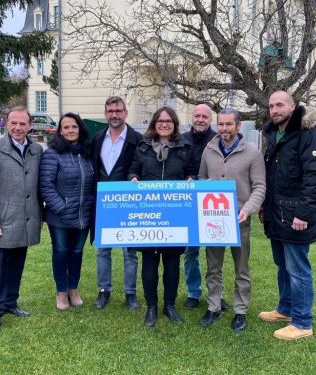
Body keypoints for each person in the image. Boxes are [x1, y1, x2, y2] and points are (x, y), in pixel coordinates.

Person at [258, 90, 316, 340]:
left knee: (298, 269)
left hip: (296, 215)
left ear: (292, 106)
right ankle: (285, 309)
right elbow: (273, 175)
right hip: (277, 212)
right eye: (271, 106)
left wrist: (304, 213)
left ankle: (302, 322)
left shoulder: (308, 133)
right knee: (282, 266)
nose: (274, 110)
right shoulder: (275, 133)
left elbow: (315, 176)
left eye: (279, 105)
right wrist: (265, 207)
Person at [128, 106, 197, 327]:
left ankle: (169, 306)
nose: (164, 124)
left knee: (172, 264)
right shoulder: (143, 147)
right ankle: (151, 307)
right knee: (148, 263)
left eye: (169, 121)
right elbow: (133, 170)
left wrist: (191, 179)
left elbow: (192, 172)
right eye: (160, 121)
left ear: (175, 124)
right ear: (154, 124)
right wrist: (133, 178)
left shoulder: (185, 148)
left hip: (175, 215)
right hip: (149, 215)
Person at [198, 108, 266, 332]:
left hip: (240, 220)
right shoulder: (209, 150)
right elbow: (201, 179)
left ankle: (240, 311)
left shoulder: (253, 153)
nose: (224, 129)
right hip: (213, 220)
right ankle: (213, 306)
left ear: (238, 126)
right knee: (213, 267)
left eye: (229, 124)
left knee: (242, 269)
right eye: (221, 124)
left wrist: (248, 209)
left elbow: (259, 187)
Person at [0, 106, 43, 336]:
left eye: (22, 124)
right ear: (7, 123)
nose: (18, 128)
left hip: (26, 222)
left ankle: (10, 302)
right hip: (3, 223)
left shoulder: (36, 150)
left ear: (30, 125)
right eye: (13, 123)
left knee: (17, 266)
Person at [91, 96, 143, 310]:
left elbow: (142, 167)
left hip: (128, 203)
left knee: (129, 251)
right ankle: (104, 290)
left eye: (118, 110)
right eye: (110, 111)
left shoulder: (137, 139)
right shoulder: (97, 139)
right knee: (103, 250)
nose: (114, 114)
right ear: (105, 113)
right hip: (102, 203)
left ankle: (130, 293)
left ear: (125, 113)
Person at [39, 113, 95, 310]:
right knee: (61, 252)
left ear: (80, 129)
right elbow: (46, 185)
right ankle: (62, 292)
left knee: (77, 252)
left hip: (83, 215)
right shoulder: (52, 154)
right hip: (60, 217)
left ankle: (73, 289)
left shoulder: (88, 153)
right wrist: (61, 206)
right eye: (66, 127)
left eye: (74, 127)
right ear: (60, 131)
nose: (71, 130)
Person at [181, 103, 228, 312]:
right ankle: (193, 291)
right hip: (188, 203)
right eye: (197, 116)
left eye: (205, 117)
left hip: (212, 202)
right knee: (191, 252)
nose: (200, 120)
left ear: (211, 120)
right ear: (192, 117)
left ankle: (215, 294)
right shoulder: (181, 140)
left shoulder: (219, 140)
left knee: (214, 253)